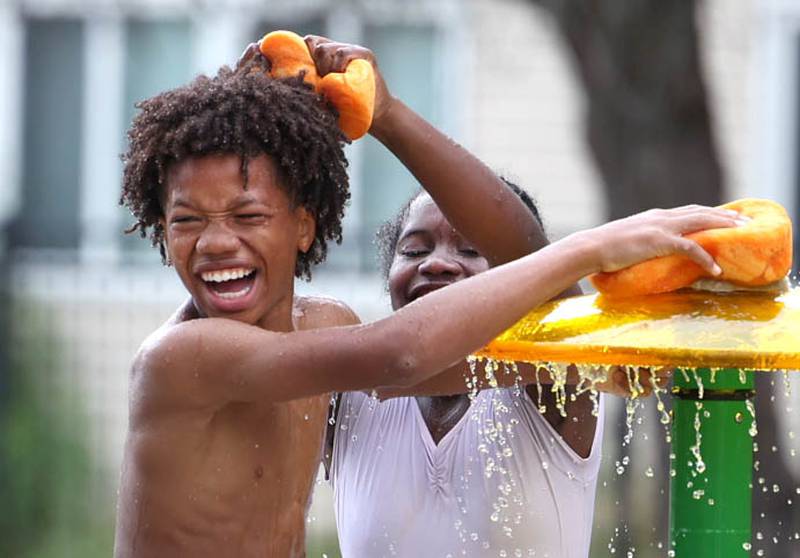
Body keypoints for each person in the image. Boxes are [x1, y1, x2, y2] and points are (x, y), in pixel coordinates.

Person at [113, 35, 741, 558]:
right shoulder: (184, 358)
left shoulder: (329, 340)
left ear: (304, 225)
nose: (216, 242)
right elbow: (401, 356)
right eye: (187, 221)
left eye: (247, 215)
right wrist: (587, 250)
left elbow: (466, 352)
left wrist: (384, 113)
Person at [329, 184, 603, 558]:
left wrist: (392, 123)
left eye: (473, 250)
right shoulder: (348, 390)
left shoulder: (552, 384)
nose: (436, 263)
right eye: (414, 250)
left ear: (526, 281)